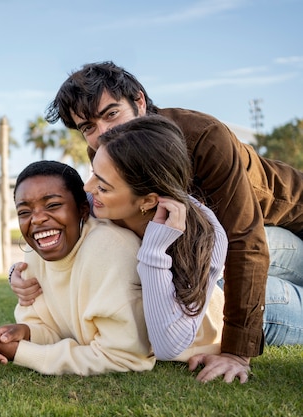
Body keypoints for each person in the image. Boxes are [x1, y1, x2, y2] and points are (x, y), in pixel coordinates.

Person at [9, 61, 303, 383]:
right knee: (201, 276)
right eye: (88, 127)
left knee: (219, 278)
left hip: (284, 219)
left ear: (139, 102)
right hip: (212, 237)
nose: (102, 133)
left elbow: (245, 241)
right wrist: (23, 272)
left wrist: (236, 350)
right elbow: (82, 220)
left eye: (111, 114)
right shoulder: (107, 152)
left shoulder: (204, 137)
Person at [0, 160, 155, 375]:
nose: (37, 219)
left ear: (83, 210)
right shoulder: (34, 253)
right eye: (24, 212)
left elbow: (126, 357)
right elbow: (55, 330)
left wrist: (22, 353)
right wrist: (23, 333)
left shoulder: (108, 248)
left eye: (53, 205)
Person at [83, 115, 228, 364]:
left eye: (104, 187)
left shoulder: (206, 237)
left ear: (148, 201)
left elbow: (167, 346)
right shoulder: (92, 203)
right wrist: (17, 273)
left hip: (226, 304)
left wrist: (155, 249)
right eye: (93, 173)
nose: (88, 187)